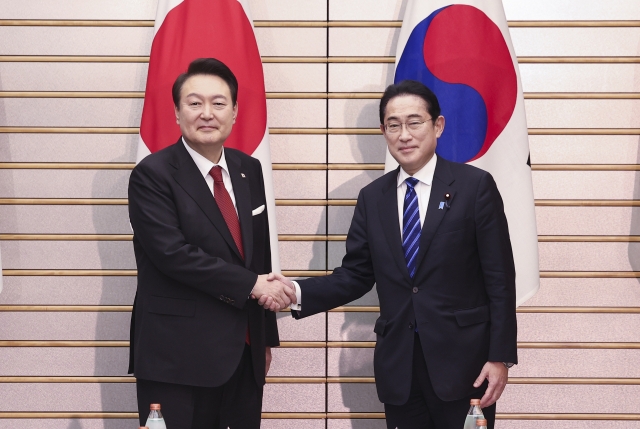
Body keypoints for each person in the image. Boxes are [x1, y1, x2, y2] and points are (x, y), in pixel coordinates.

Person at [270, 80, 517, 429]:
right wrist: (295, 292)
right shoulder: (373, 198)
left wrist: (500, 357)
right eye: (393, 124)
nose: (404, 134)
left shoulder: (475, 187)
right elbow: (355, 275)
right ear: (383, 131)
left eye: (415, 122)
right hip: (400, 368)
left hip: (465, 366)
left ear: (438, 126)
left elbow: (500, 279)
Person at [128, 57, 294, 429]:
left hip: (244, 353)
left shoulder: (248, 168)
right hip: (177, 358)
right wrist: (251, 285)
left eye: (219, 103)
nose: (207, 113)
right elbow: (172, 254)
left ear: (234, 112)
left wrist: (264, 337)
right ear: (176, 112)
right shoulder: (152, 175)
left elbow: (259, 258)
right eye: (195, 103)